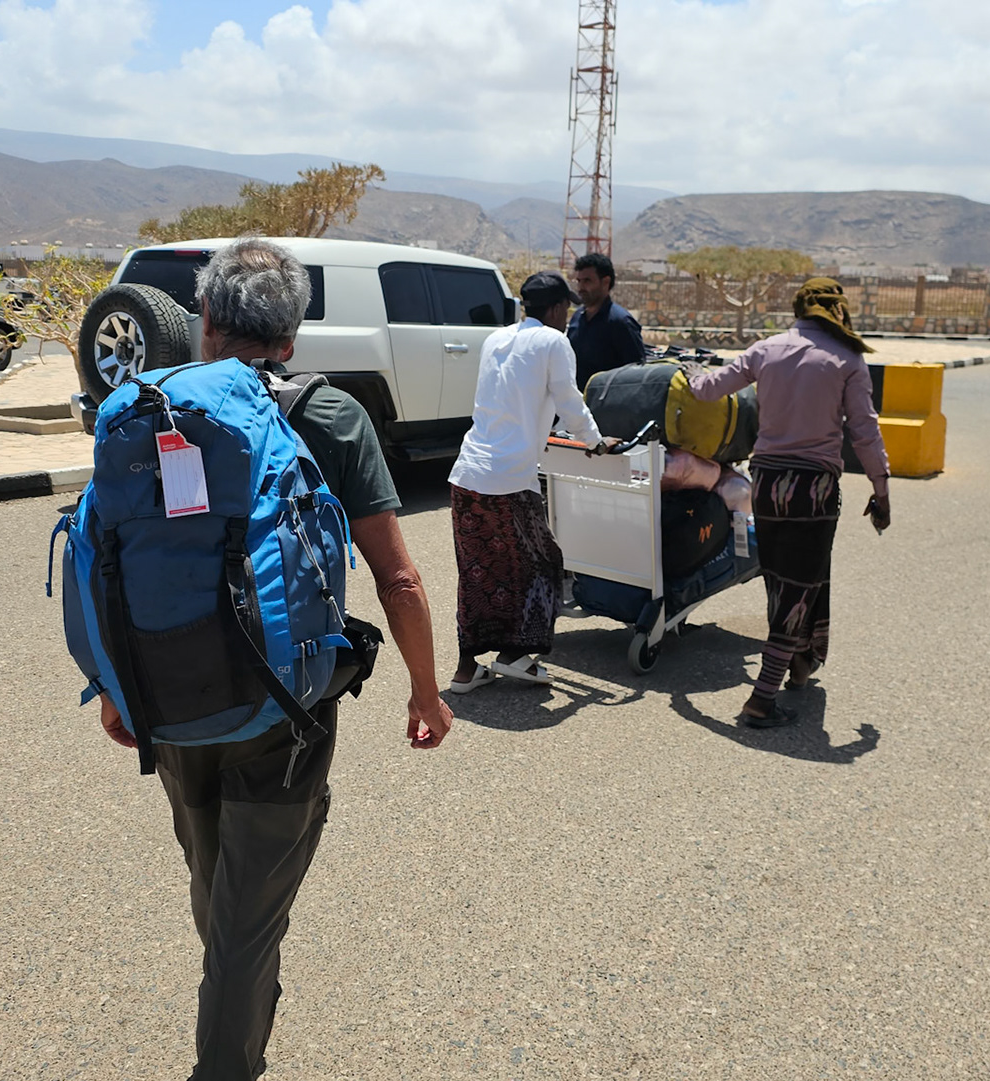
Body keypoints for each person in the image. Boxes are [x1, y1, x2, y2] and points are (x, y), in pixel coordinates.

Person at [95, 237, 453, 1081]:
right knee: (247, 925)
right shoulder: (329, 416)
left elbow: (106, 559)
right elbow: (397, 576)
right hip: (285, 711)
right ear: (291, 336)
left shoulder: (151, 406)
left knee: (213, 874)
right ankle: (230, 1055)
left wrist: (115, 689)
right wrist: (426, 691)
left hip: (168, 694)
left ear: (206, 319)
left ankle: (239, 999)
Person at [686, 276, 891, 728]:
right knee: (801, 585)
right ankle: (761, 700)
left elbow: (706, 390)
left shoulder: (767, 349)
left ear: (798, 309)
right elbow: (865, 430)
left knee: (785, 579)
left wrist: (687, 372)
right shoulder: (846, 358)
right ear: (838, 311)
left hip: (768, 484)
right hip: (813, 490)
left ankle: (802, 661)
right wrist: (881, 487)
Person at [446, 270, 614, 692]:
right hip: (508, 478)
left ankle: (466, 670)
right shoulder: (555, 341)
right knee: (542, 564)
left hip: (468, 473)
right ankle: (515, 656)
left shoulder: (496, 339)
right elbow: (569, 400)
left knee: (477, 573)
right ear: (558, 309)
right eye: (567, 310)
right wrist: (595, 441)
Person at [567, 252, 646, 389]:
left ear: (605, 282)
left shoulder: (621, 322)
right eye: (579, 281)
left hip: (606, 406)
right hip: (576, 405)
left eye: (587, 281)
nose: (580, 288)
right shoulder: (577, 318)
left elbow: (636, 375)